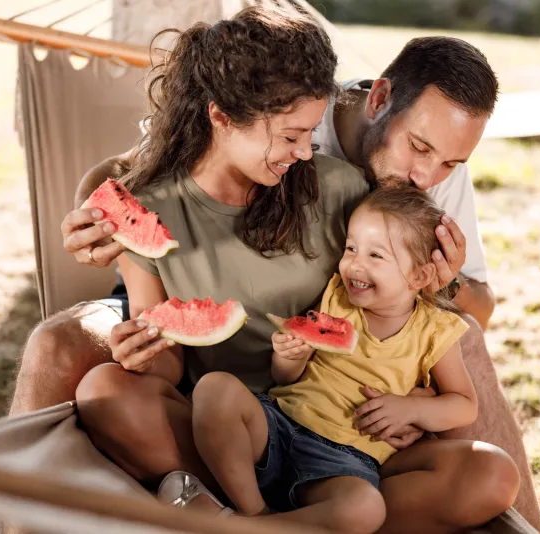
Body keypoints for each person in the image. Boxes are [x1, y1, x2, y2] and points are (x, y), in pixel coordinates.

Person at [13, 29, 540, 534]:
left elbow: (467, 307)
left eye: (451, 162)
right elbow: (124, 176)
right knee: (76, 364)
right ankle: (8, 514)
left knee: (468, 365)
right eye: (420, 148)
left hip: (340, 393)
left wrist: (424, 346)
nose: (428, 177)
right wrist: (95, 217)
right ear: (379, 100)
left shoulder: (351, 186)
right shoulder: (283, 109)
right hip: (235, 380)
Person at [179, 186, 519, 533]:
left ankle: (252, 521)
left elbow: (464, 404)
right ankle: (251, 514)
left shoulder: (436, 330)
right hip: (278, 425)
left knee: (366, 509)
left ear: (419, 275)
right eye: (351, 248)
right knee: (214, 388)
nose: (354, 263)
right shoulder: (337, 297)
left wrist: (412, 410)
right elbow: (285, 380)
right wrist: (288, 359)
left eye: (376, 256)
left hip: (344, 463)